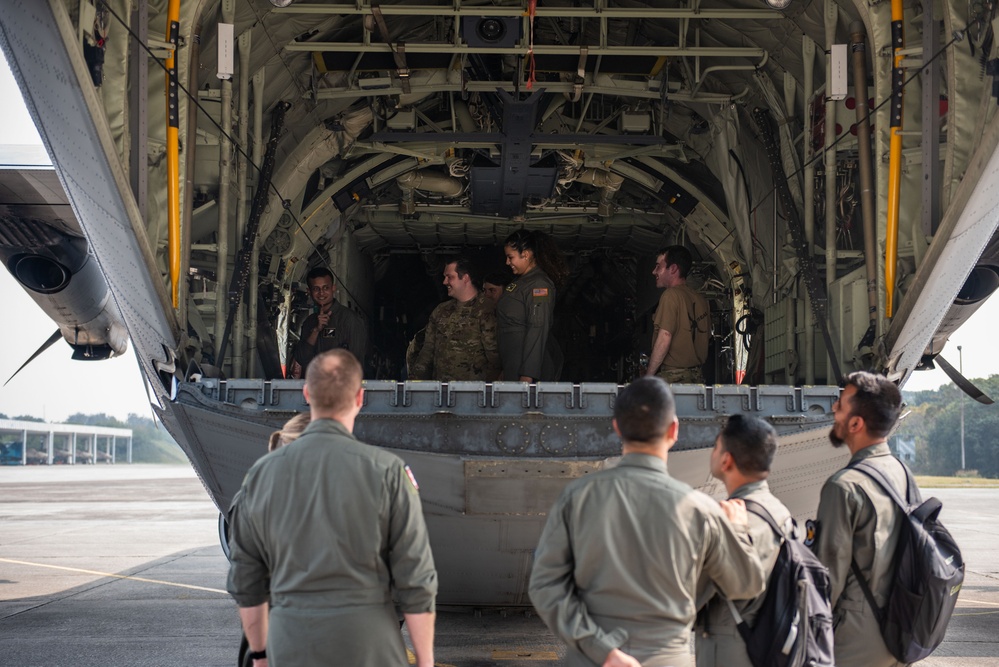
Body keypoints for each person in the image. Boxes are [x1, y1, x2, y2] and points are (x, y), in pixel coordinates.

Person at [528, 377, 766, 667]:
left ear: (617, 428)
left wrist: (602, 650)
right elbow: (747, 585)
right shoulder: (701, 510)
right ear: (674, 430)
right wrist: (739, 529)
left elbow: (545, 585)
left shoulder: (578, 497)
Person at [226, 349, 438, 667]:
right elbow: (416, 580)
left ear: (307, 393)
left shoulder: (262, 474)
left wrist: (259, 654)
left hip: (291, 643)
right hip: (370, 647)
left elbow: (246, 578)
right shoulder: (388, 471)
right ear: (360, 398)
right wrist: (425, 660)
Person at [810, 371, 906, 667]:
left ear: (856, 423)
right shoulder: (900, 473)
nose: (833, 410)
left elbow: (827, 578)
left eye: (840, 404)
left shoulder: (844, 486)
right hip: (898, 631)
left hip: (854, 642)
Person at [694, 414, 794, 667]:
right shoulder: (779, 511)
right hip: (771, 646)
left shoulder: (729, 519)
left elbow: (688, 595)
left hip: (731, 652)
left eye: (716, 447)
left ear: (726, 460)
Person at [408, 256, 501, 381]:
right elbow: (427, 351)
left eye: (449, 277)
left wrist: (489, 392)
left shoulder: (486, 310)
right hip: (442, 391)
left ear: (465, 278)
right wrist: (415, 380)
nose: (444, 282)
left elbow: (495, 358)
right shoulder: (441, 311)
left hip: (473, 392)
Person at [496, 230, 568, 382]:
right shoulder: (521, 282)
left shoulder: (539, 284)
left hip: (527, 370)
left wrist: (528, 374)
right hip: (515, 364)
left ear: (526, 254)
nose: (507, 263)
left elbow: (538, 328)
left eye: (510, 257)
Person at [644, 245, 710, 384]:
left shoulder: (670, 295)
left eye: (658, 266)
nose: (654, 271)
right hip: (696, 378)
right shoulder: (701, 300)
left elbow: (664, 337)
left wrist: (648, 376)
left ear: (673, 269)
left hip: (674, 379)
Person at [291, 267, 367, 376]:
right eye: (316, 289)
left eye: (326, 287)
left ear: (333, 288)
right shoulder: (309, 322)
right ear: (309, 291)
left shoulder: (350, 319)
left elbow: (356, 363)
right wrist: (316, 331)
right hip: (314, 387)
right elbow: (302, 359)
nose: (321, 293)